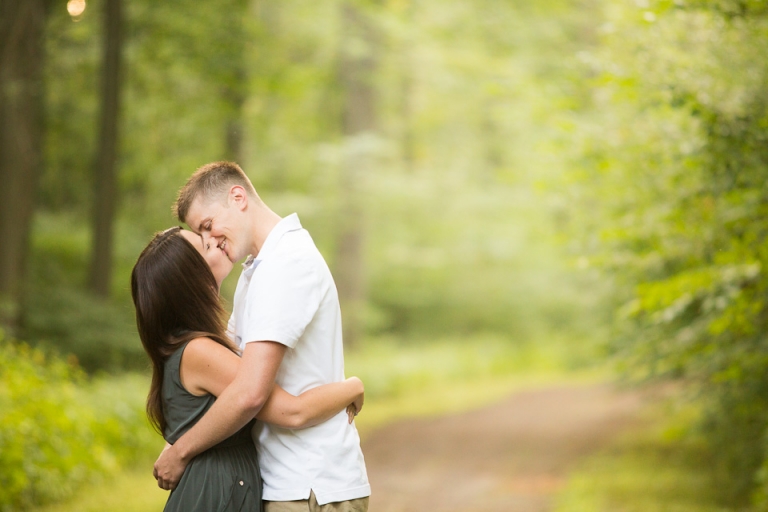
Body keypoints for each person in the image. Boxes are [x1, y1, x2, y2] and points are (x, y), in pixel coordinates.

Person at [154, 161, 370, 512]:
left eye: (208, 225)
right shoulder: (258, 272)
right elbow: (231, 372)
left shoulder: (286, 264)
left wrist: (181, 450)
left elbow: (250, 393)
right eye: (201, 234)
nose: (210, 241)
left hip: (310, 484)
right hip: (288, 481)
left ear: (237, 197)